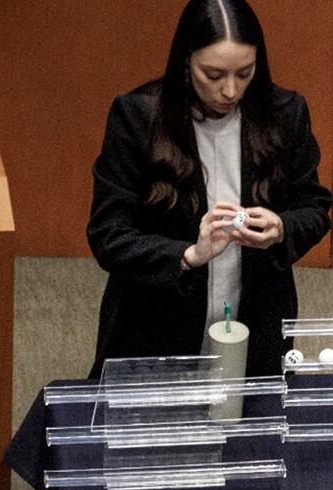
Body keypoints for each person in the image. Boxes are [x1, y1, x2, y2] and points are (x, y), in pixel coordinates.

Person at [87, 0, 331, 378]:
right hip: (155, 325)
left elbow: (313, 206)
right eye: (213, 75)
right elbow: (108, 234)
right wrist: (187, 254)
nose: (230, 90)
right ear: (187, 61)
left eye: (244, 73)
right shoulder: (136, 118)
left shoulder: (286, 113)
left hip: (257, 320)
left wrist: (281, 228)